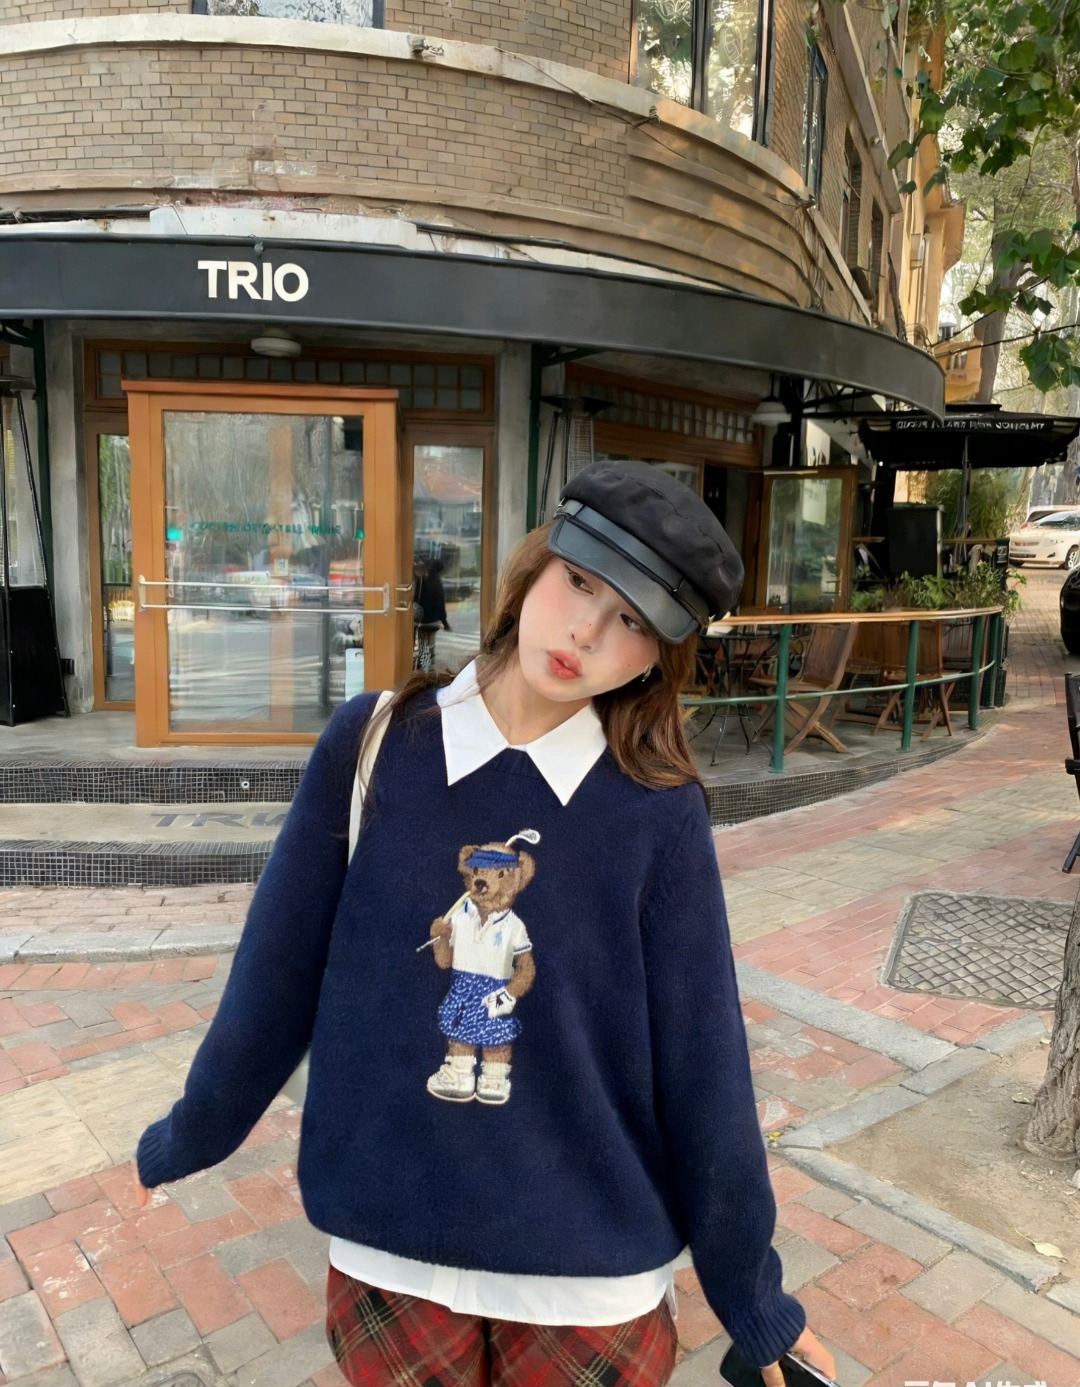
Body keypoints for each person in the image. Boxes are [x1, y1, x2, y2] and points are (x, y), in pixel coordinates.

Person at [134, 460, 835, 1387]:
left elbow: (703, 1059)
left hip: (592, 1272)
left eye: (634, 621)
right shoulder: (374, 745)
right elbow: (276, 972)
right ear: (535, 564)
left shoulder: (656, 812)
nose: (587, 633)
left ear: (658, 656)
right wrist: (196, 1128)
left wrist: (753, 1299)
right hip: (393, 1244)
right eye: (579, 582)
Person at [413, 555, 451, 671]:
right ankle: (428, 668)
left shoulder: (421, 581)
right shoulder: (437, 584)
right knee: (430, 645)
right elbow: (440, 606)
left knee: (423, 645)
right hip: (433, 621)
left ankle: (423, 668)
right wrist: (445, 622)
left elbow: (415, 599)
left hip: (422, 621)